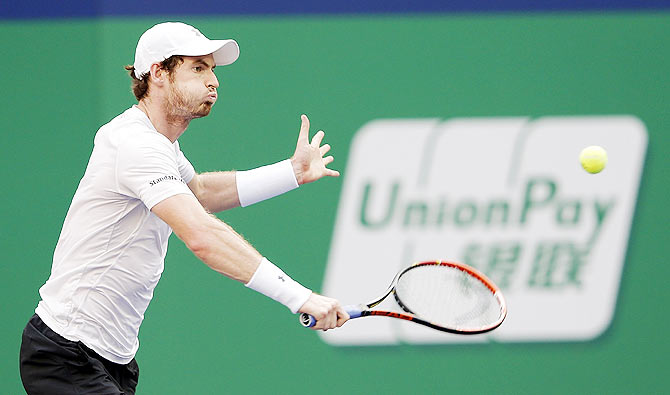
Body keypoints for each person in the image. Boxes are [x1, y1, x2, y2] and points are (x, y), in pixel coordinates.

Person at [19, 22, 349, 394]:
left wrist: (289, 173)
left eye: (212, 69)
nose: (214, 81)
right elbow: (202, 236)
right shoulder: (135, 144)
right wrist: (299, 297)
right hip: (67, 355)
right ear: (158, 73)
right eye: (198, 67)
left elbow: (200, 192)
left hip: (114, 360)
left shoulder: (160, 145)